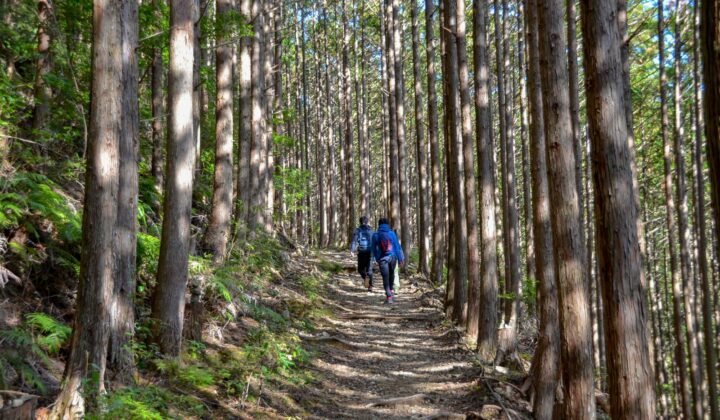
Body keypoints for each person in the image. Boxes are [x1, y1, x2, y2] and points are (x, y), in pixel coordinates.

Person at [372, 218, 405, 304]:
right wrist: (401, 258)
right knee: (391, 275)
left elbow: (373, 249)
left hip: (383, 259)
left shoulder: (375, 235)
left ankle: (389, 296)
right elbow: (397, 247)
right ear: (387, 224)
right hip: (393, 258)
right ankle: (391, 291)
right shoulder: (392, 233)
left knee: (385, 278)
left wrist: (376, 258)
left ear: (379, 225)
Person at [350, 216, 374, 292]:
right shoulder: (371, 230)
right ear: (367, 222)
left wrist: (352, 250)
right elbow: (375, 241)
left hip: (362, 252)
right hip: (370, 252)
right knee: (369, 270)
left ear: (360, 222)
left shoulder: (358, 230)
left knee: (360, 270)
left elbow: (354, 241)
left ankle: (366, 279)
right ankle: (370, 285)